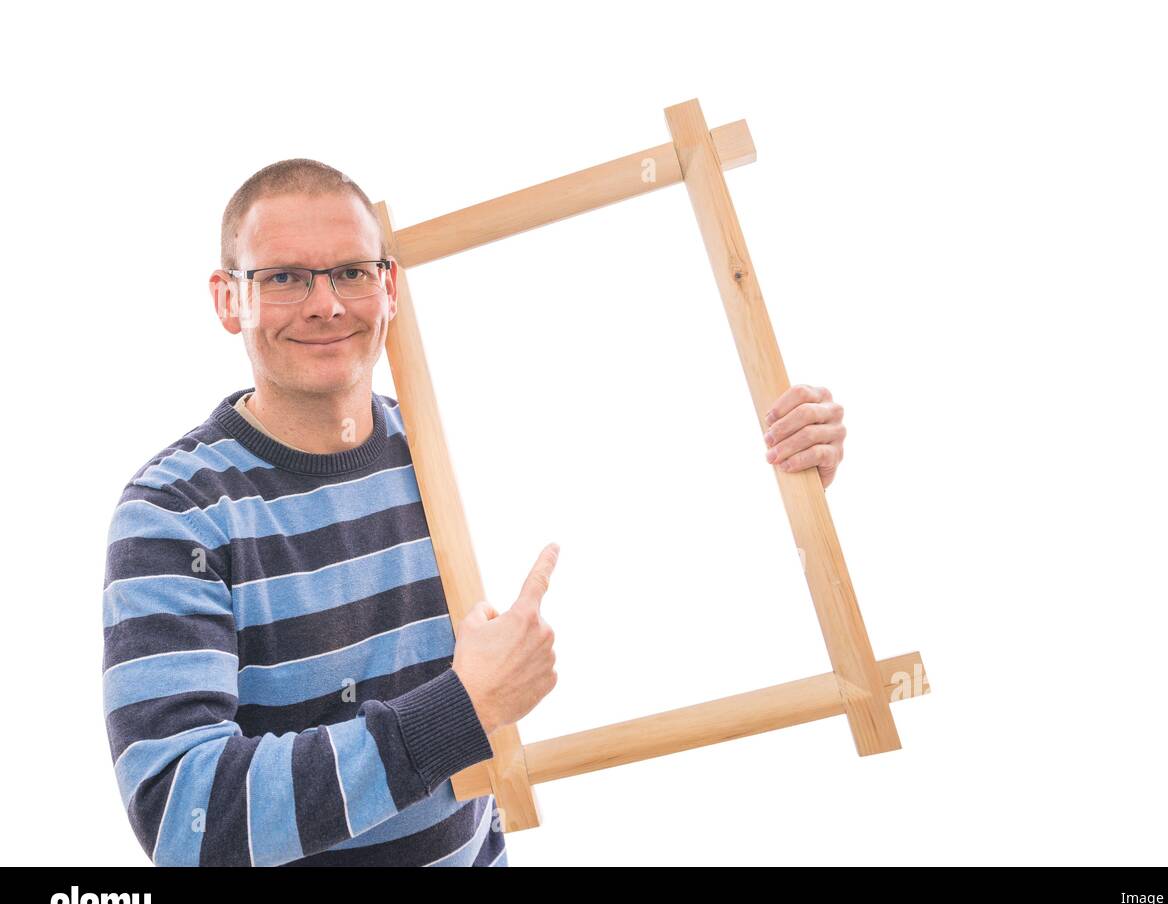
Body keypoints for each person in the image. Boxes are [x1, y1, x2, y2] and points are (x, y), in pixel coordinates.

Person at [101, 158, 848, 866]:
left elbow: (643, 509)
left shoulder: (447, 458)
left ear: (389, 288)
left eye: (352, 272)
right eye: (285, 277)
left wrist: (792, 465)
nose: (326, 304)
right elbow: (183, 818)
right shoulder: (174, 513)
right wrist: (455, 711)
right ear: (230, 299)